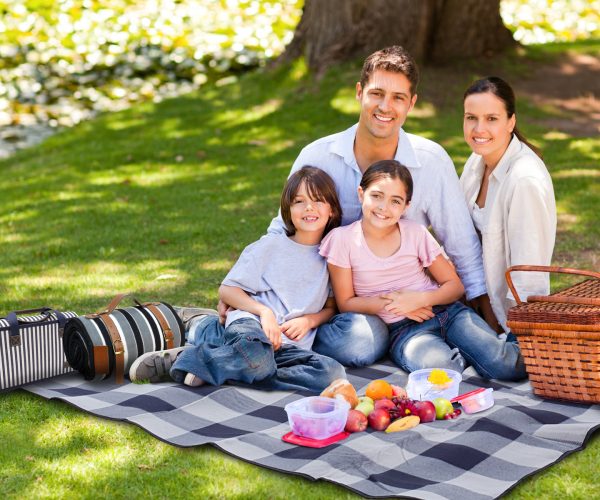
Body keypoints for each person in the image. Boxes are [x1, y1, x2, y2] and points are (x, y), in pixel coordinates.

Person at [257, 45, 491, 366]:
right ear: (359, 93)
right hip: (335, 301)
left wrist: (489, 316)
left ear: (412, 104)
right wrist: (248, 293)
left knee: (380, 340)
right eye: (377, 93)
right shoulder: (317, 156)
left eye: (398, 97)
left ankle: (420, 338)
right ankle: (325, 334)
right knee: (360, 343)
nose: (385, 106)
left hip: (410, 296)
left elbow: (461, 243)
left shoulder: (431, 161)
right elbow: (282, 229)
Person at [130, 166, 346, 393]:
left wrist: (310, 321)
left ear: (331, 209)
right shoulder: (271, 246)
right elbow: (228, 290)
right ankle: (183, 361)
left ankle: (218, 359)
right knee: (257, 358)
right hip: (251, 327)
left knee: (331, 374)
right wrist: (265, 313)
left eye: (318, 200)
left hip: (286, 347)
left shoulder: (332, 256)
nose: (309, 208)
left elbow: (331, 307)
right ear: (288, 209)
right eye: (299, 201)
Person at [320, 160, 526, 380]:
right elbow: (346, 302)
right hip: (406, 332)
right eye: (376, 196)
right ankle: (465, 355)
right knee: (442, 373)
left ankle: (520, 341)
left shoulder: (415, 233)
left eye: (395, 201)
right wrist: (397, 306)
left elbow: (454, 286)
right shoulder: (342, 240)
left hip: (448, 313)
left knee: (507, 367)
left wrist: (420, 299)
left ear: (406, 206)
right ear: (361, 194)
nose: (383, 207)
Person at [461, 76, 556, 333]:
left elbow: (529, 273)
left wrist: (519, 335)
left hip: (507, 319)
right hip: (472, 297)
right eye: (471, 117)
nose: (479, 129)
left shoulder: (524, 180)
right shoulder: (476, 162)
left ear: (511, 122)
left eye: (491, 118)